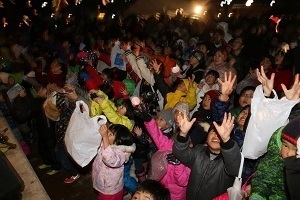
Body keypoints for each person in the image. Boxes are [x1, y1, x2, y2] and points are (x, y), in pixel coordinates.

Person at [173, 111, 241, 200]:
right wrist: (183, 134)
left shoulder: (227, 162)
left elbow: (234, 167)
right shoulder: (198, 151)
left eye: (220, 134)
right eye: (213, 132)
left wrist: (226, 140)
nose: (217, 135)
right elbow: (180, 153)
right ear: (206, 138)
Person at [93, 124, 136, 200]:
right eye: (108, 132)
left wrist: (105, 137)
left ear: (118, 141)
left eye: (110, 134)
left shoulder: (121, 153)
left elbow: (110, 159)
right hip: (103, 183)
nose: (106, 134)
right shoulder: (108, 143)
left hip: (110, 190)